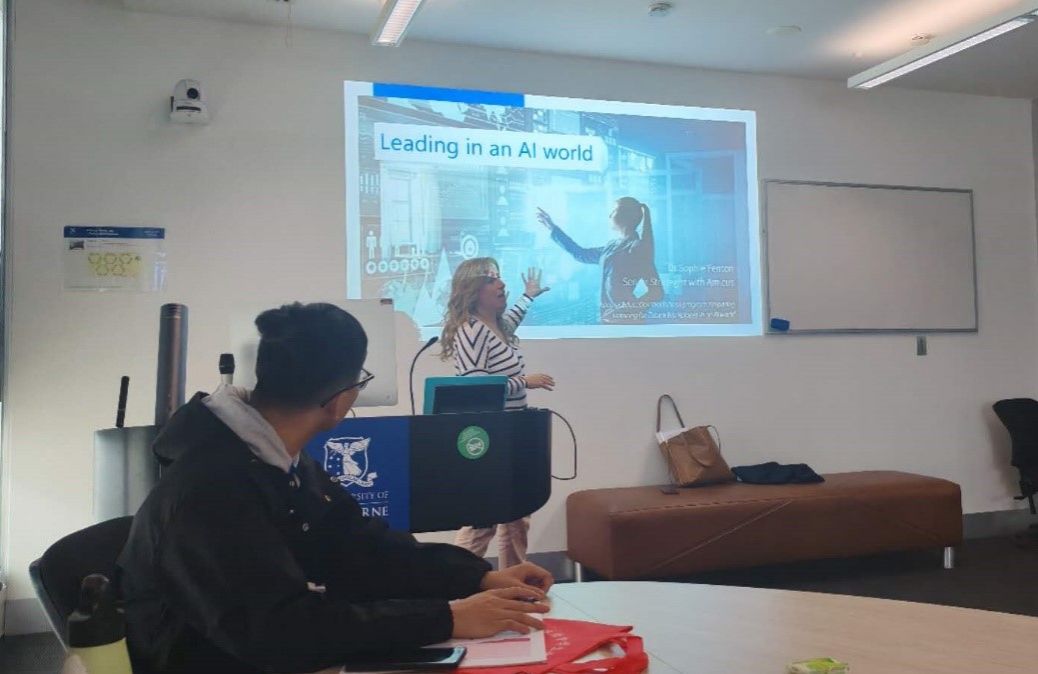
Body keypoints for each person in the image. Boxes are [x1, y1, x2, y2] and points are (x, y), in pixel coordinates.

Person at [117, 302, 553, 674]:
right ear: (340, 400)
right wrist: (445, 618)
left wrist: (477, 577)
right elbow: (279, 632)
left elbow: (360, 546)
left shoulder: (273, 456)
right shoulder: (211, 488)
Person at [440, 258, 554, 568]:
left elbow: (512, 319)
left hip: (511, 430)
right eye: (491, 279)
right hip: (489, 435)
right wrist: (524, 382)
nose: (501, 284)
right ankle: (454, 582)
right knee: (483, 519)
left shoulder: (497, 326)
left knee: (517, 514)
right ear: (473, 289)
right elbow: (478, 387)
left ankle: (514, 580)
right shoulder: (471, 330)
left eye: (499, 277)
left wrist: (528, 295)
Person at [537, 197, 664, 323]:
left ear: (625, 215)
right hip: (610, 320)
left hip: (627, 323)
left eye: (614, 211)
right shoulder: (611, 246)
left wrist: (628, 311)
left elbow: (656, 292)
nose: (610, 215)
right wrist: (553, 228)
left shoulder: (637, 248)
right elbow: (580, 254)